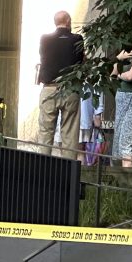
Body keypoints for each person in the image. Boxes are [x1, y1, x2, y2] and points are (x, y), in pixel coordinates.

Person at [37, 11, 84, 159]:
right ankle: (68, 173)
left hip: (49, 89)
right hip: (70, 89)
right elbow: (82, 61)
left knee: (46, 131)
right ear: (69, 21)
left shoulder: (45, 39)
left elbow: (43, 56)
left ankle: (42, 169)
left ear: (55, 22)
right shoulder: (77, 39)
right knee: (69, 133)